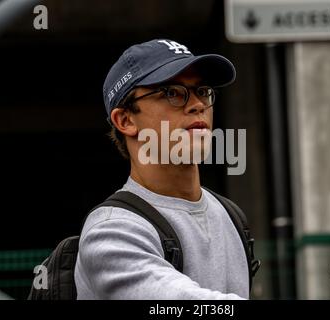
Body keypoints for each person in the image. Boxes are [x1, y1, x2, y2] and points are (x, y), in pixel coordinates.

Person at [74, 39, 250, 299]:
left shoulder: (230, 215)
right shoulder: (111, 231)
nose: (198, 104)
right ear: (125, 120)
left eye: (202, 90)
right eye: (172, 93)